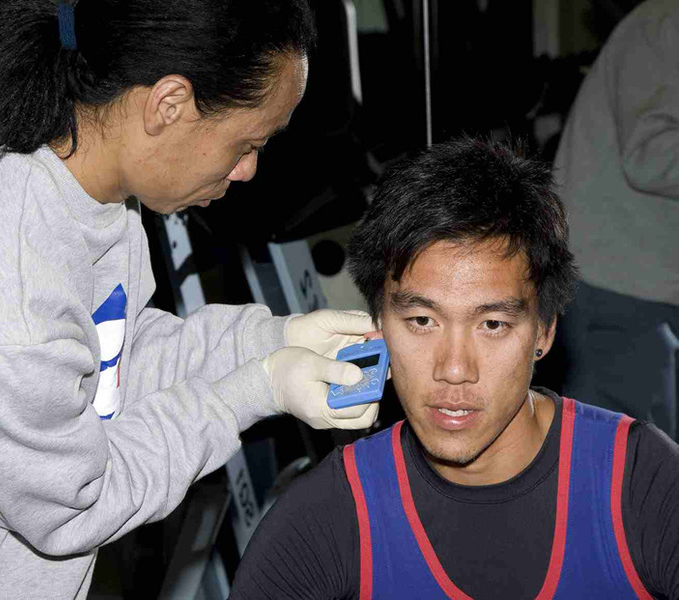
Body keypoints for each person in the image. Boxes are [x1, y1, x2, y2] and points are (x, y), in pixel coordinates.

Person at [0, 1, 381, 598]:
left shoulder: (82, 178)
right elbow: (79, 501)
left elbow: (112, 360)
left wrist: (273, 339)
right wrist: (252, 392)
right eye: (246, 144)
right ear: (169, 105)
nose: (249, 170)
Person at [228, 137, 679, 599]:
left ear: (544, 332)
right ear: (378, 328)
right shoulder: (330, 517)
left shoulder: (639, 484)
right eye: (423, 321)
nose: (455, 369)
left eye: (492, 324)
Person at [553, 0, 679, 440]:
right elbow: (650, 154)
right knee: (624, 469)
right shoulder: (665, 21)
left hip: (642, 283)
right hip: (620, 285)